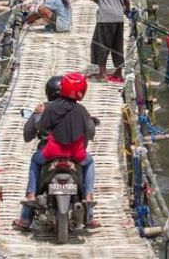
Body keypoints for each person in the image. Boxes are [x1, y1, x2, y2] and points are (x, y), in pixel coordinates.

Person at [13, 73, 99, 230]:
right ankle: (89, 204)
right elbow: (90, 130)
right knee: (90, 162)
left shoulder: (46, 108)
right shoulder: (82, 110)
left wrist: (37, 115)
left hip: (51, 153)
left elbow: (36, 130)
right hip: (76, 154)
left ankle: (27, 213)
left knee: (35, 161)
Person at [86, 0, 130, 83]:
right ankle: (118, 72)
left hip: (105, 17)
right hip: (119, 17)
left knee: (99, 44)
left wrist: (96, 1)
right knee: (117, 45)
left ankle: (102, 74)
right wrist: (128, 11)